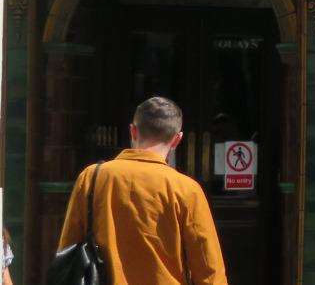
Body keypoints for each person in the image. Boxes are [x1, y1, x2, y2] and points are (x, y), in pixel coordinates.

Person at [55, 97, 228, 285]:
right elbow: (209, 269)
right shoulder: (187, 190)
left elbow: (69, 249)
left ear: (133, 131)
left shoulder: (92, 178)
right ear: (177, 139)